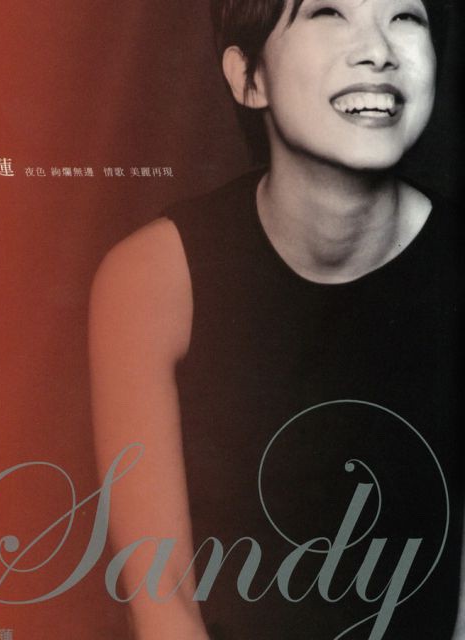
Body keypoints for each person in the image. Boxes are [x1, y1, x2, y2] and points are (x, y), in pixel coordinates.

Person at [89, 0, 463, 638]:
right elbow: (162, 604)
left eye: (406, 17)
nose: (378, 51)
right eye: (329, 13)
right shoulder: (153, 280)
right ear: (248, 78)